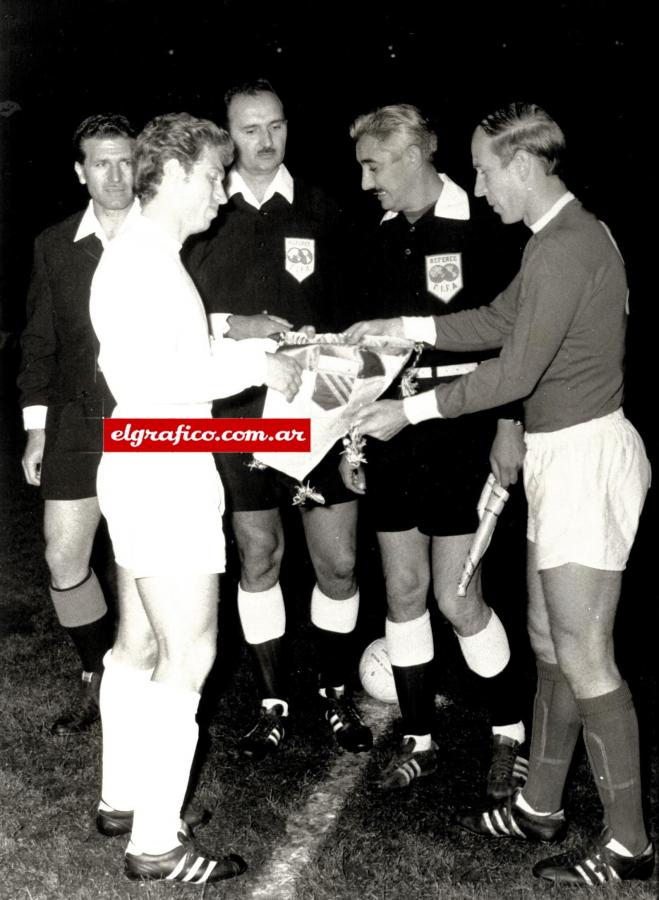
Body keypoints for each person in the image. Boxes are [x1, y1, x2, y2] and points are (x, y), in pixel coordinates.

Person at [345, 102, 653, 886]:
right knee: (549, 644)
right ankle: (539, 806)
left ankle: (627, 844)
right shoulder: (556, 239)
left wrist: (405, 410)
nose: (477, 186)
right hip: (557, 455)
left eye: (484, 170)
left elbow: (513, 372)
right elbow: (490, 318)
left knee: (586, 656)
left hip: (584, 459)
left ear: (522, 165)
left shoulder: (563, 248)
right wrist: (402, 323)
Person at [90, 112, 302, 884]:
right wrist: (261, 370)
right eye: (213, 174)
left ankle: (125, 798)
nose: (222, 187)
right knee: (192, 653)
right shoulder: (148, 263)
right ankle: (154, 842)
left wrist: (250, 358)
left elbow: (177, 361)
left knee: (139, 646)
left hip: (143, 461)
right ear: (176, 173)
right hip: (162, 467)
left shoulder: (147, 255)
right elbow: (170, 388)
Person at [342, 104, 529, 798]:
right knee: (403, 591)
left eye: (373, 165)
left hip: (463, 430)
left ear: (414, 153)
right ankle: (419, 738)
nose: (366, 183)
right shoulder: (380, 239)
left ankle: (510, 731)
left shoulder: (485, 228)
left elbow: (516, 337)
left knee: (458, 596)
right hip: (392, 432)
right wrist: (351, 431)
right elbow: (367, 351)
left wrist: (509, 422)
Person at [185, 80, 372, 761]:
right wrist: (238, 328)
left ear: (288, 128)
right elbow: (179, 320)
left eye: (276, 126)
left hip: (319, 412)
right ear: (227, 134)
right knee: (258, 554)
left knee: (340, 561)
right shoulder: (205, 216)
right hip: (238, 413)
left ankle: (332, 690)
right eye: (249, 128)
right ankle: (272, 702)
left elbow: (359, 320)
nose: (265, 140)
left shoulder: (325, 210)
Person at [17, 113, 139, 735]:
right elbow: (39, 342)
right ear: (80, 172)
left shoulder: (165, 235)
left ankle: (142, 678)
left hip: (147, 421)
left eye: (126, 160)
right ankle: (100, 674)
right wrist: (36, 427)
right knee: (64, 556)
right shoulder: (54, 243)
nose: (116, 175)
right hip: (75, 419)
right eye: (101, 162)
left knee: (138, 559)